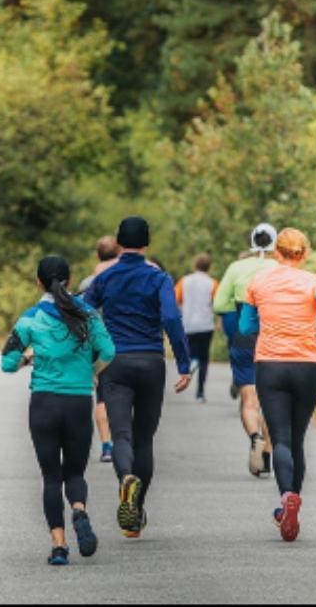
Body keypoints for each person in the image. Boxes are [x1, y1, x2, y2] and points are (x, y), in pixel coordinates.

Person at [83, 216, 192, 539]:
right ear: (147, 244)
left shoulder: (106, 277)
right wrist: (184, 363)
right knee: (144, 439)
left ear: (118, 243)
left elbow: (86, 313)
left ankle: (125, 480)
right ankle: (135, 512)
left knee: (121, 436)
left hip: (114, 362)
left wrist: (89, 355)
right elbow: (171, 317)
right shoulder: (158, 278)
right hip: (151, 362)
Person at [2, 256, 116, 566]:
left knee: (51, 477)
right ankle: (79, 509)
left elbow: (7, 363)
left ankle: (59, 546)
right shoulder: (89, 315)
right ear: (68, 279)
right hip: (78, 401)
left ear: (39, 282)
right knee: (75, 472)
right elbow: (109, 351)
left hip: (44, 403)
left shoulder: (30, 318)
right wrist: (90, 371)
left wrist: (29, 357)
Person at [240, 228, 316, 543]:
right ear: (304, 254)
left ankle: (286, 501)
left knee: (279, 439)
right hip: (307, 365)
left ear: (276, 253)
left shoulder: (258, 281)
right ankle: (293, 497)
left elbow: (245, 326)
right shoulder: (315, 281)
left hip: (270, 364)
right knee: (297, 439)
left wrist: (266, 325)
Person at [213, 224, 279, 477]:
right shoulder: (279, 268)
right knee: (270, 400)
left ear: (251, 242)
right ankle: (268, 451)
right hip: (272, 339)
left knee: (249, 400)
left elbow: (219, 303)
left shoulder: (236, 267)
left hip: (243, 336)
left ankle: (254, 437)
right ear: (275, 243)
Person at [78, 235, 121, 463]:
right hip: (125, 343)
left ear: (97, 255)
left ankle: (106, 446)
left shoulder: (87, 283)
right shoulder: (127, 279)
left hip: (97, 344)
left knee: (102, 397)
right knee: (125, 395)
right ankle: (125, 441)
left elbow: (81, 319)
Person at [175, 254, 219, 403]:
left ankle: (192, 362)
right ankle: (200, 392)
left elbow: (176, 300)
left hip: (187, 324)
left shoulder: (184, 281)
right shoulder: (212, 283)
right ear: (209, 267)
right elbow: (217, 304)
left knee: (192, 352)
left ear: (195, 265)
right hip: (206, 325)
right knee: (204, 358)